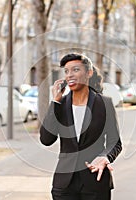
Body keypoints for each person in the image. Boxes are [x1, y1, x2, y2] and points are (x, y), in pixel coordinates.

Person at [40, 53, 122, 200]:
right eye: (66, 71)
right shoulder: (60, 105)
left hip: (95, 182)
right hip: (64, 183)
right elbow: (46, 139)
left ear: (89, 73)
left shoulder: (105, 104)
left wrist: (104, 157)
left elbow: (115, 142)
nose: (70, 75)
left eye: (76, 70)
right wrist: (55, 103)